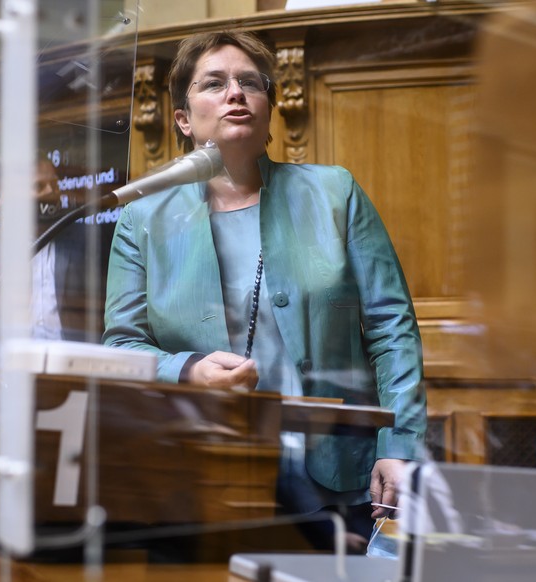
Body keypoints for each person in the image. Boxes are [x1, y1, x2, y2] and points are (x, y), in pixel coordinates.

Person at [103, 30, 426, 551]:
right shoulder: (142, 218)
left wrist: (402, 444)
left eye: (249, 83)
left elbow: (393, 329)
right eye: (213, 83)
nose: (235, 93)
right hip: (204, 474)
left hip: (333, 478)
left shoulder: (334, 193)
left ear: (268, 108)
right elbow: (120, 346)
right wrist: (186, 368)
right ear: (183, 120)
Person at [0, 155, 88, 352]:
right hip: (2, 375)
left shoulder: (87, 240)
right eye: (38, 186)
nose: (51, 192)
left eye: (55, 185)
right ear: (1, 196)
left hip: (70, 371)